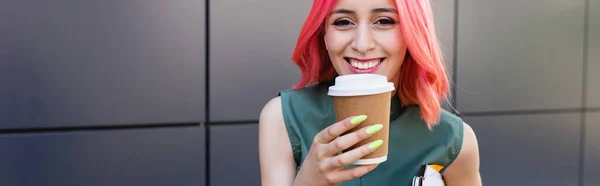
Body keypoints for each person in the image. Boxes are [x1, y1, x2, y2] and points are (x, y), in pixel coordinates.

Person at [259, 0, 482, 185]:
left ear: (412, 33)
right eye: (343, 22)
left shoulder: (454, 139)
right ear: (325, 35)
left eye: (384, 21)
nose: (362, 45)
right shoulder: (282, 118)